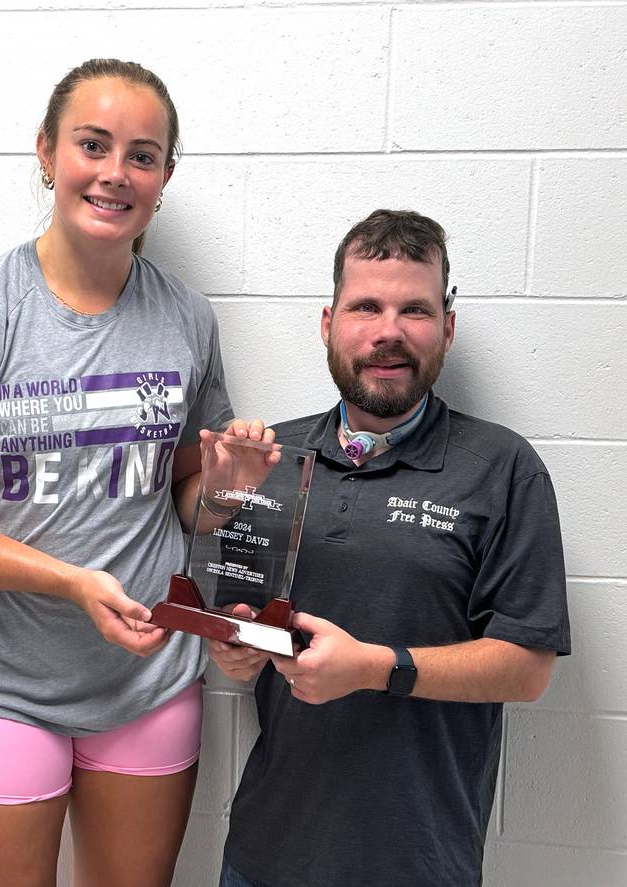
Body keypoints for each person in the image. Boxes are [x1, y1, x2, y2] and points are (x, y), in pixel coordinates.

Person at [0, 58, 269, 887]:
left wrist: (227, 486)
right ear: (47, 153)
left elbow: (191, 503)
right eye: (93, 144)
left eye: (143, 154)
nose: (115, 172)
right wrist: (70, 582)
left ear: (163, 179)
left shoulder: (187, 318)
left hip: (149, 682)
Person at [210, 209, 571, 887]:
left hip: (417, 862)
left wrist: (375, 666)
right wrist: (233, 644)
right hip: (263, 854)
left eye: (415, 309)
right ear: (328, 322)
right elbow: (243, 630)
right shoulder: (270, 460)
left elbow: (527, 668)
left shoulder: (503, 467)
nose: (388, 332)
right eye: (366, 306)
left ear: (448, 327)